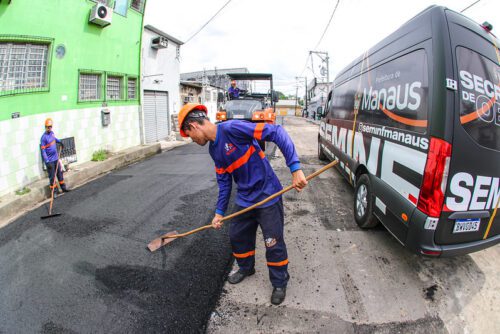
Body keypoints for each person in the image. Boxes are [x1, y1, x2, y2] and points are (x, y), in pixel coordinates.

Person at [178, 103, 307, 305]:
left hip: (267, 194)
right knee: (237, 235)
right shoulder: (214, 150)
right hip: (246, 199)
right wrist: (219, 212)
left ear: (194, 126)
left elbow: (276, 131)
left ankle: (280, 282)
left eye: (189, 135)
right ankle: (247, 268)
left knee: (272, 242)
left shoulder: (231, 128)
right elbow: (224, 182)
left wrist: (295, 168)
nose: (192, 140)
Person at [40, 118, 69, 195]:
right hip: (50, 161)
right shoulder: (43, 138)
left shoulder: (52, 133)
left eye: (50, 126)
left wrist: (60, 142)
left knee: (60, 173)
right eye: (48, 126)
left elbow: (54, 139)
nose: (49, 128)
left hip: (56, 158)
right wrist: (47, 162)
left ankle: (63, 188)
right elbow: (43, 151)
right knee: (52, 177)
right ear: (45, 127)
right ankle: (55, 192)